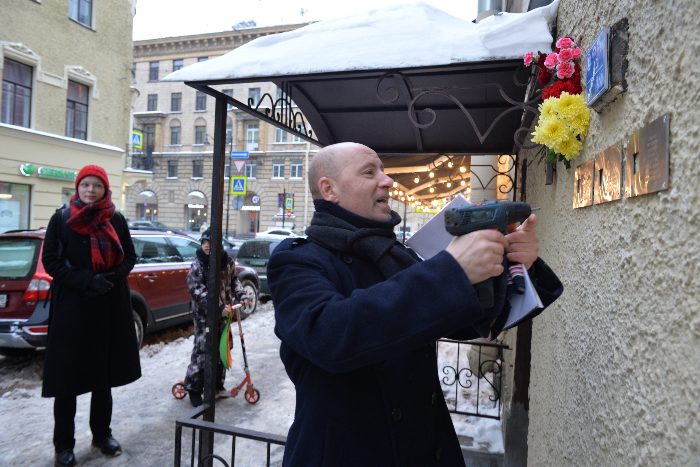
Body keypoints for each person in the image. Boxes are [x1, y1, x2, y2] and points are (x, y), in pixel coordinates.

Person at [267, 142, 563, 467]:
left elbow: (468, 322)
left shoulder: (396, 255)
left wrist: (516, 263)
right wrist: (452, 271)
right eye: (369, 172)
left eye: (383, 170)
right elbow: (331, 334)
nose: (387, 180)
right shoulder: (297, 260)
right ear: (329, 189)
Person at [41, 165, 141, 467]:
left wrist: (109, 279)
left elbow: (130, 257)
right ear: (78, 187)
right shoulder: (61, 219)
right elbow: (51, 261)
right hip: (72, 309)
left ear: (105, 189)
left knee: (102, 377)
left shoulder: (116, 219)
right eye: (85, 184)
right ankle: (63, 445)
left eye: (96, 185)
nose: (90, 190)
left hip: (107, 306)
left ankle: (102, 434)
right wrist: (87, 280)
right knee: (67, 381)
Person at [184, 228, 250, 407]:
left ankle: (216, 386)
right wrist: (218, 307)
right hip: (204, 316)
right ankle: (194, 388)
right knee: (203, 351)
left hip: (224, 315)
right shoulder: (198, 265)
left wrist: (242, 295)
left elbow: (234, 281)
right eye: (204, 242)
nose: (206, 246)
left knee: (222, 349)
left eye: (210, 242)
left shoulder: (226, 262)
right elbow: (196, 290)